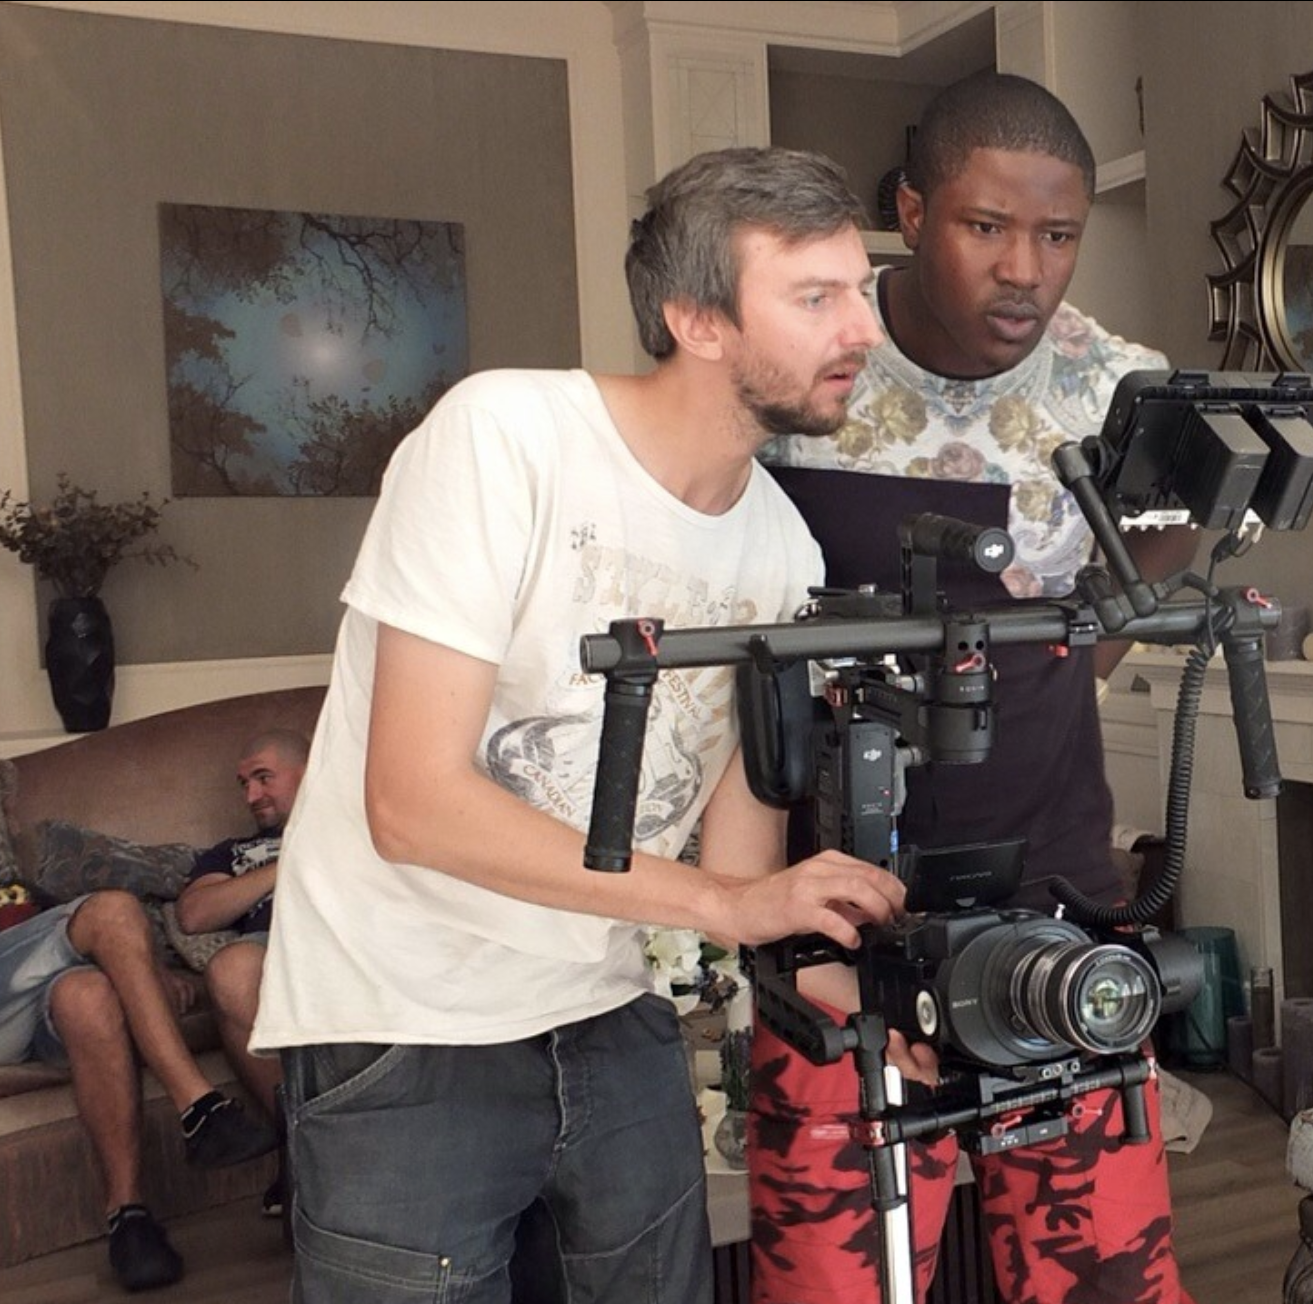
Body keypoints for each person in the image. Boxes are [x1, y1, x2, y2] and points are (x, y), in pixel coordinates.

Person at [249, 145, 910, 1304]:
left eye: (861, 289)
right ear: (696, 319)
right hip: (406, 1026)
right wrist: (721, 904)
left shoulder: (781, 549)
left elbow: (736, 870)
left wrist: (874, 1007)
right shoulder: (504, 437)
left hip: (611, 1016)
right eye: (815, 297)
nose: (862, 327)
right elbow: (411, 803)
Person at [752, 72, 1199, 1304]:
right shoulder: (807, 366)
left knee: (1104, 1280)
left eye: (1057, 236)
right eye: (986, 226)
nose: (1024, 271)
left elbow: (1153, 556)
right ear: (910, 210)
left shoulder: (1117, 385)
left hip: (1055, 896)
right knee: (840, 1285)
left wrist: (1051, 677)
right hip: (841, 908)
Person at [0, 886, 280, 1291]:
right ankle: (200, 1108)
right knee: (112, 909)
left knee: (87, 998)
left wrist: (145, 967)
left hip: (33, 986)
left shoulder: (15, 884)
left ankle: (128, 1217)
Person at [175, 726, 308, 1217]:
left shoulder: (355, 821)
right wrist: (286, 862)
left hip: (346, 938)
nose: (251, 796)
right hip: (269, 947)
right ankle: (307, 1145)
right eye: (244, 784)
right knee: (230, 969)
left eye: (264, 778)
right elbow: (194, 915)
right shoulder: (231, 853)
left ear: (308, 770)